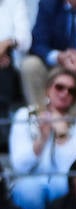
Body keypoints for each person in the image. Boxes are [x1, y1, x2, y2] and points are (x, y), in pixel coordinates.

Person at [8, 67, 76, 209]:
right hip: (29, 178)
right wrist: (42, 139)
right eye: (59, 87)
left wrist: (62, 134)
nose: (65, 93)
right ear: (48, 89)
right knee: (29, 191)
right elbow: (19, 165)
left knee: (62, 186)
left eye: (71, 91)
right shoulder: (25, 115)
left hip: (61, 179)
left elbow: (71, 168)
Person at [0, 0, 31, 148]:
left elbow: (25, 40)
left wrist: (7, 43)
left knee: (4, 71)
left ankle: (3, 135)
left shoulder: (15, 2)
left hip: (9, 67)